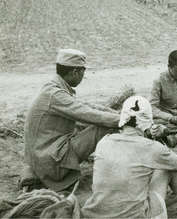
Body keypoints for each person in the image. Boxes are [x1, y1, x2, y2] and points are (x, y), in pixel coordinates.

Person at [82, 95, 177, 218]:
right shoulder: (151, 147)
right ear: (148, 122)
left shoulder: (104, 142)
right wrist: (158, 139)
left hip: (95, 214)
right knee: (167, 169)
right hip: (134, 216)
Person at [24, 49, 121, 191]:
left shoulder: (54, 88)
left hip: (43, 154)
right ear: (75, 72)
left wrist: (119, 113)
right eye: (83, 72)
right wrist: (126, 119)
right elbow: (90, 114)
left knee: (92, 123)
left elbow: (87, 106)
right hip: (50, 162)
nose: (83, 76)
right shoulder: (55, 94)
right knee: (104, 126)